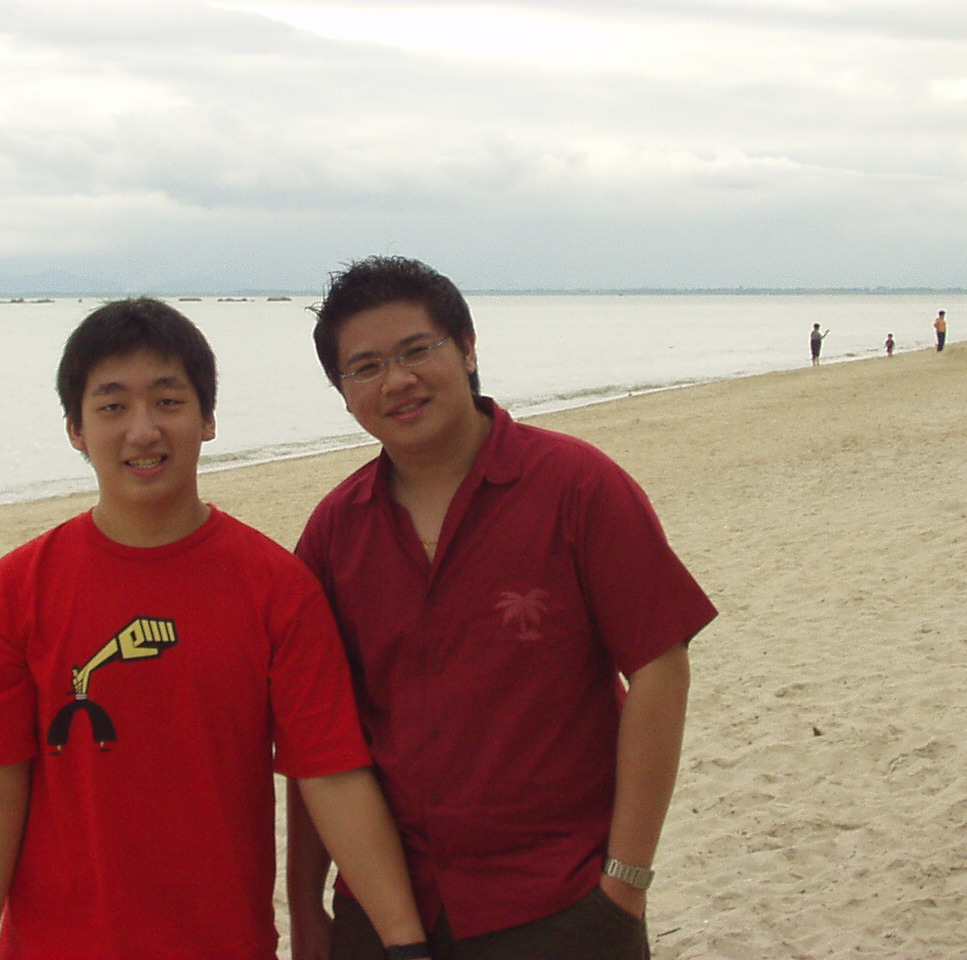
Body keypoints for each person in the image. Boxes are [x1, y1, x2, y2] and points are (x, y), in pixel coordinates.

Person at [0, 298, 429, 960]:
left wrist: (404, 941)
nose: (142, 430)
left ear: (207, 420)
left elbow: (331, 775)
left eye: (168, 402)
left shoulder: (276, 587)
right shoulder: (15, 590)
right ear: (76, 429)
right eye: (112, 406)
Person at [286, 257, 717, 960]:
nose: (396, 381)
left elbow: (660, 666)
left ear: (466, 347)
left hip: (559, 903)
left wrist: (625, 883)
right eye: (365, 367)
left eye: (416, 350)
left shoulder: (577, 486)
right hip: (388, 911)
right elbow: (317, 737)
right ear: (342, 391)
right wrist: (308, 909)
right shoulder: (336, 531)